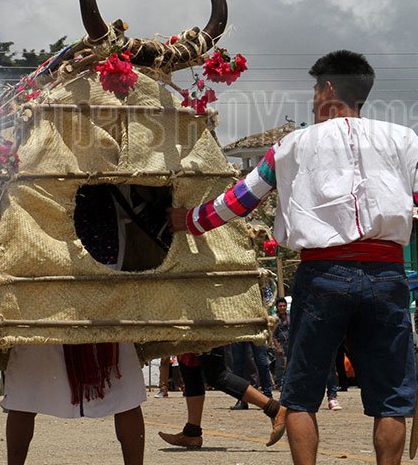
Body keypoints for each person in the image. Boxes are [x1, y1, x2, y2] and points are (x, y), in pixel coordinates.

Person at [170, 50, 417, 465]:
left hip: (323, 276)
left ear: (329, 89)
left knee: (301, 396)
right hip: (388, 274)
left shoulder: (290, 145)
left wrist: (189, 220)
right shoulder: (406, 140)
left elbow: (242, 199)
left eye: (314, 88)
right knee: (391, 399)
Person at [2, 184, 145, 465]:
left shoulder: (102, 171)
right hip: (50, 284)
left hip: (86, 286)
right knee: (24, 392)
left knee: (124, 390)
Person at [157, 348, 286, 449]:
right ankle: (192, 433)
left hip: (202, 326)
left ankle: (274, 409)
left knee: (216, 375)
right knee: (190, 372)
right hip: (191, 328)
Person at [272, 297, 289, 390]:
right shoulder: (274, 319)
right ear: (277, 307)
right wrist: (278, 347)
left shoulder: (290, 317)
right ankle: (280, 383)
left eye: (284, 306)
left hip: (290, 344)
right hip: (280, 344)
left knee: (289, 364)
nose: (282, 308)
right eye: (280, 306)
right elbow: (273, 335)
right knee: (280, 365)